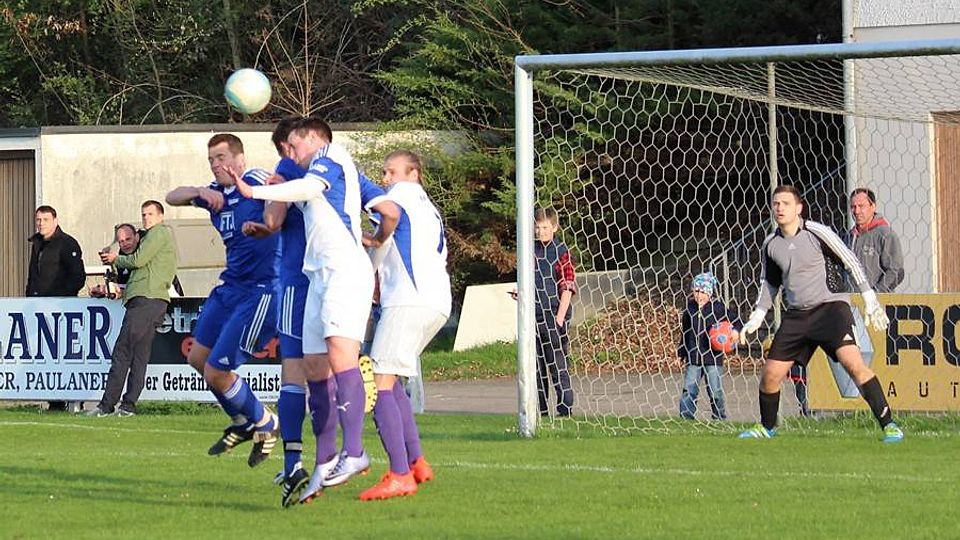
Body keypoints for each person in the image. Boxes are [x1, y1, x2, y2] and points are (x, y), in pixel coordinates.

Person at [232, 117, 399, 497]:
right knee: (313, 366)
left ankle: (354, 452)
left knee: (340, 354)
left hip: (343, 271)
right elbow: (389, 212)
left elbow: (310, 187)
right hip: (318, 274)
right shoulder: (335, 171)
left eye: (292, 146)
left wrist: (254, 190)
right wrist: (376, 238)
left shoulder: (330, 155)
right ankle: (324, 461)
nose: (289, 155)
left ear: (313, 138)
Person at [738, 185, 903, 443]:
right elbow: (770, 283)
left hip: (830, 310)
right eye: (776, 203)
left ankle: (889, 425)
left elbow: (850, 260)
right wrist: (758, 315)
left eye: (786, 203)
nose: (780, 208)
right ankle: (767, 427)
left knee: (854, 365)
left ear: (798, 208)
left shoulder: (817, 232)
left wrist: (870, 298)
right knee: (770, 375)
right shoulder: (771, 244)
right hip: (797, 315)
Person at [165, 133, 281, 468]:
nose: (216, 165)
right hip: (230, 287)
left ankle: (266, 421)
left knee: (217, 371)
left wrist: (268, 222)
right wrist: (199, 192)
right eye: (211, 160)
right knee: (197, 359)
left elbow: (282, 197)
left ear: (239, 160)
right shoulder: (214, 193)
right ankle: (243, 421)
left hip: (261, 290)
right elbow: (171, 197)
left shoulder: (257, 180)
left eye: (221, 157)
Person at [357, 150, 449, 501]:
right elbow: (384, 241)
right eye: (384, 172)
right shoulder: (426, 206)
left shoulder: (402, 195)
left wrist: (343, 178)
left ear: (414, 174)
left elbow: (379, 212)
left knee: (378, 382)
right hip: (435, 301)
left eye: (392, 172)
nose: (386, 179)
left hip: (409, 299)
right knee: (391, 380)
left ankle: (399, 474)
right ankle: (416, 462)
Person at [86, 200, 178, 417]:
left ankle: (106, 405)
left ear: (160, 216)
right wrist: (111, 288)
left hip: (146, 300)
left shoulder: (158, 233)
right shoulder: (153, 237)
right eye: (143, 214)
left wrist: (115, 259)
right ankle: (128, 406)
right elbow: (140, 269)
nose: (146, 218)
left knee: (122, 351)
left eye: (150, 214)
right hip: (153, 301)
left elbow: (138, 261)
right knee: (139, 356)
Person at [511, 208, 576, 417]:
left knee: (556, 363)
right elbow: (529, 281)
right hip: (532, 316)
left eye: (545, 227)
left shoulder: (562, 252)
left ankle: (565, 408)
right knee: (535, 367)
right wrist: (521, 293)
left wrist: (559, 318)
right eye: (537, 228)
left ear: (554, 228)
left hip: (553, 315)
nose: (540, 232)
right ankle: (540, 410)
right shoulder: (530, 251)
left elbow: (567, 287)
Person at [27, 205, 86, 411]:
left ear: (55, 221)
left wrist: (60, 299)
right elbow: (33, 276)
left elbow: (78, 277)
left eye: (45, 219)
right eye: (38, 220)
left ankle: (73, 398)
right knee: (45, 355)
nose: (41, 223)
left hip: (61, 310)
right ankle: (54, 401)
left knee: (64, 354)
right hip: (39, 308)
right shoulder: (37, 243)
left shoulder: (67, 243)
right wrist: (30, 299)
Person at [677, 272, 741, 421]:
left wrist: (736, 331)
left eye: (703, 292)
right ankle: (686, 417)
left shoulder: (717, 308)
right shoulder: (690, 309)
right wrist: (682, 352)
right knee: (689, 389)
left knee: (715, 390)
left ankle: (719, 416)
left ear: (709, 293)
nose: (699, 295)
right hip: (693, 357)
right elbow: (685, 332)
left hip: (712, 357)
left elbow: (736, 320)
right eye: (696, 291)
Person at [847, 188, 905, 293]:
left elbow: (896, 271)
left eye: (861, 206)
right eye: (853, 207)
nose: (856, 211)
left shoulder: (885, 234)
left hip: (876, 301)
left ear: (873, 207)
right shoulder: (849, 237)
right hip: (851, 300)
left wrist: (875, 293)